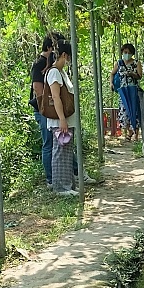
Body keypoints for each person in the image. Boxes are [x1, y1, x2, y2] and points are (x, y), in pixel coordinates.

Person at [46, 41, 78, 195]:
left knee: (66, 153)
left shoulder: (62, 72)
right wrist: (62, 120)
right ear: (64, 55)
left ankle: (68, 184)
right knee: (60, 152)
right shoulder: (53, 73)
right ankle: (60, 187)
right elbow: (56, 97)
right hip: (60, 121)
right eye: (68, 57)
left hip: (66, 119)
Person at [29, 35, 56, 184]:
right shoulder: (39, 64)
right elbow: (37, 89)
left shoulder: (49, 64)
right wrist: (46, 107)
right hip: (42, 109)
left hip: (49, 108)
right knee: (49, 143)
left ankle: (73, 170)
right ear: (50, 48)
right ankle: (50, 178)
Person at [113, 43, 142, 140]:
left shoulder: (136, 63)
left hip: (133, 90)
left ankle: (136, 134)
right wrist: (111, 84)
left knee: (135, 111)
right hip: (123, 91)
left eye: (129, 53)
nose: (127, 54)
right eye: (125, 52)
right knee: (124, 111)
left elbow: (139, 76)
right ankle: (127, 133)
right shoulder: (119, 63)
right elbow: (112, 74)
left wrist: (132, 74)